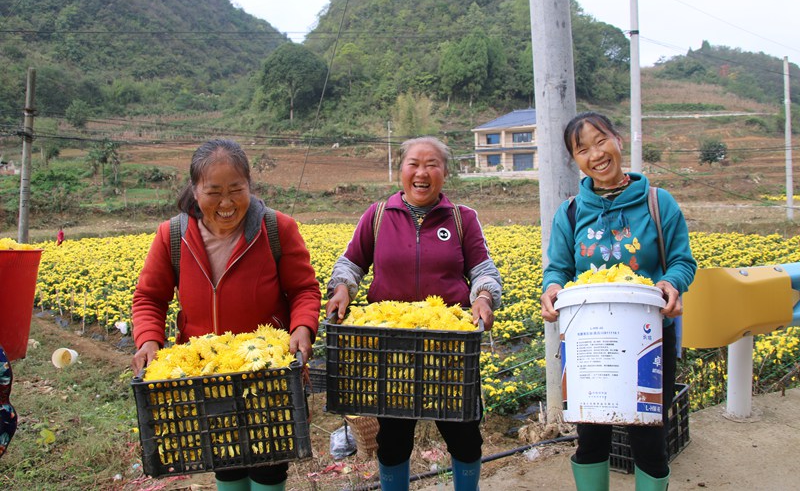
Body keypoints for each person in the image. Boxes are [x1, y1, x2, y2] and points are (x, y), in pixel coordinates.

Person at [131, 139, 321, 491]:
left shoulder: (277, 229)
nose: (227, 203)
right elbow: (149, 298)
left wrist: (303, 327)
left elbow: (304, 290)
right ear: (194, 189)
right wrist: (148, 340)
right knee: (225, 461)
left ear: (250, 185)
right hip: (205, 373)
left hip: (267, 371)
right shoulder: (172, 236)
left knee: (268, 463)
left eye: (237, 189)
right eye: (214, 191)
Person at [325, 136, 502, 491]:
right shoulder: (377, 216)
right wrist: (342, 287)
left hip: (449, 349)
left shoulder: (461, 219)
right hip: (390, 348)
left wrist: (483, 296)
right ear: (401, 170)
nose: (422, 173)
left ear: (445, 172)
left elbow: (484, 270)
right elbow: (351, 263)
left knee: (464, 436)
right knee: (392, 441)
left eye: (432, 164)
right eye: (414, 164)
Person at [540, 112, 697, 491]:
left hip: (649, 338)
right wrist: (551, 289)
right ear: (575, 160)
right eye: (582, 149)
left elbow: (682, 261)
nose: (595, 154)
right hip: (589, 341)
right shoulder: (571, 212)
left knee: (648, 439)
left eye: (600, 140)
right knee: (591, 439)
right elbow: (558, 268)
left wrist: (672, 283)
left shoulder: (659, 203)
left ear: (618, 141)